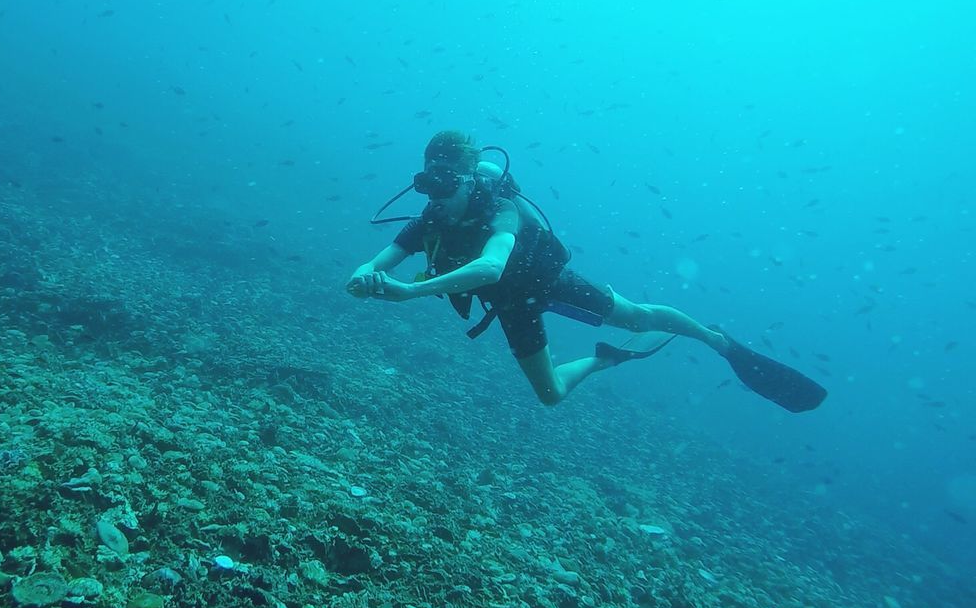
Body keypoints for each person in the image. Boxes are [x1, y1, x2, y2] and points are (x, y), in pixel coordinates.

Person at [347, 130, 825, 411]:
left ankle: (714, 338)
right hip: (512, 306)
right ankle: (605, 358)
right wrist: (363, 277)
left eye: (445, 182)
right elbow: (379, 260)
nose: (436, 195)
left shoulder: (501, 210)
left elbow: (492, 266)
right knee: (551, 395)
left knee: (638, 317)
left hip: (545, 281)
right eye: (428, 182)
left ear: (469, 178)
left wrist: (410, 292)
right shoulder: (428, 219)